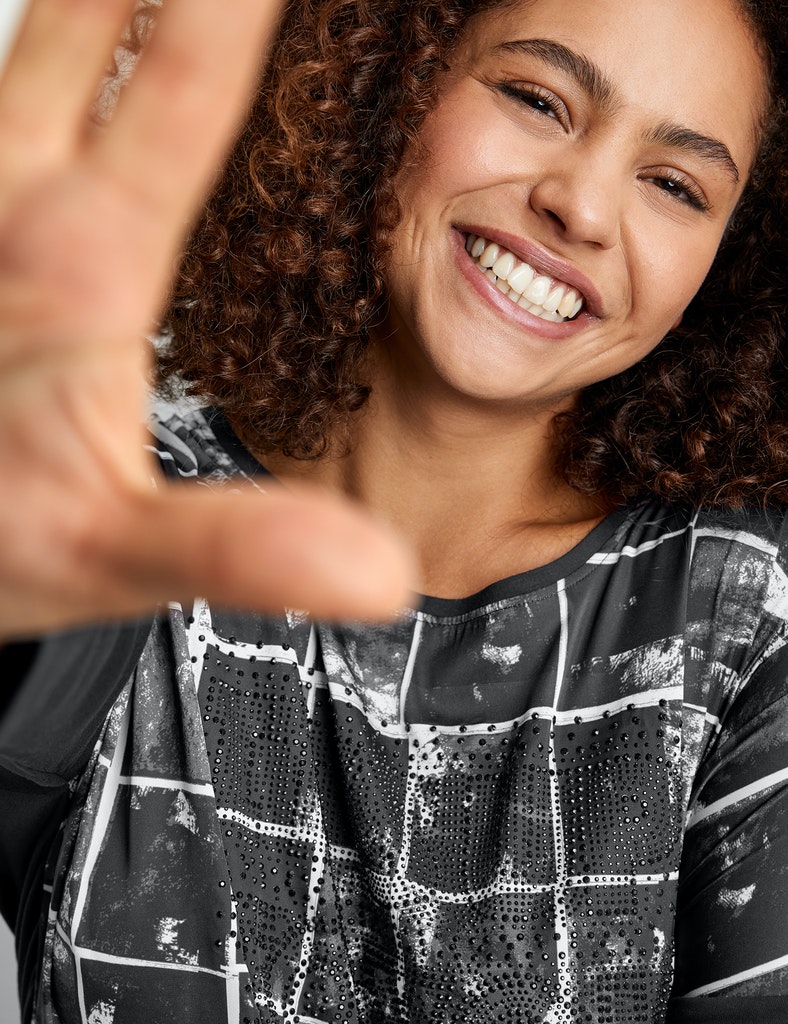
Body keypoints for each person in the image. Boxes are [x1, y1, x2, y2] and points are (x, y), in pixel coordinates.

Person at [0, 0, 787, 1021]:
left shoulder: (742, 607)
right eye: (535, 98)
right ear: (385, 83)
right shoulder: (121, 516)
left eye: (674, 184)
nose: (581, 206)